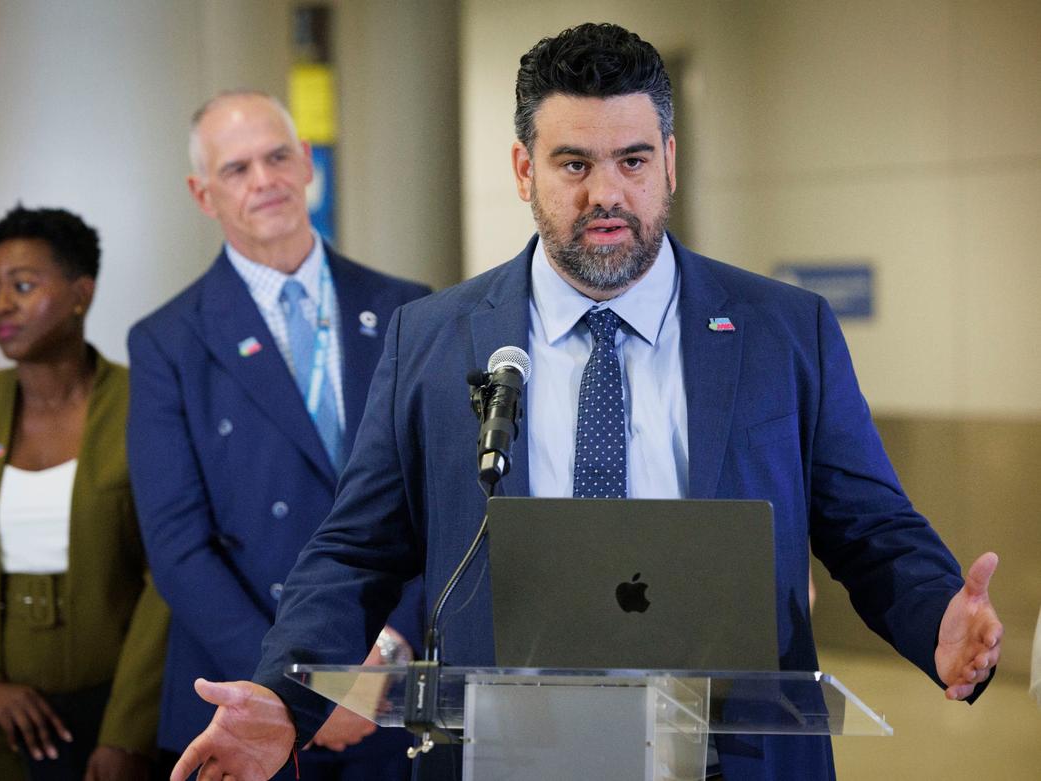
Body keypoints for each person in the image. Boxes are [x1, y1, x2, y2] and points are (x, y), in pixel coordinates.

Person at [170, 24, 1003, 781]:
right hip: (506, 754)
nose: (607, 192)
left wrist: (937, 620)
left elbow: (870, 525)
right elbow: (356, 551)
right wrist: (284, 694)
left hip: (734, 752)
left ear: (670, 161)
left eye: (633, 161)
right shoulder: (432, 337)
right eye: (575, 164)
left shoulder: (783, 330)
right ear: (525, 168)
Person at [125, 90, 431, 779]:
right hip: (240, 704)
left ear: (308, 164)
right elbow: (177, 548)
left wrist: (380, 656)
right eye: (236, 169)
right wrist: (292, 688)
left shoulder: (411, 310)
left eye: (277, 156)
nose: (263, 180)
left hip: (391, 692)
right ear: (202, 194)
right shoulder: (167, 342)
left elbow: (443, 504)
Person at [0, 205, 168, 780]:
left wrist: (127, 733)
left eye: (22, 285)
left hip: (111, 721)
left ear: (81, 294)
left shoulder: (143, 402)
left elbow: (167, 575)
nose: (1, 304)